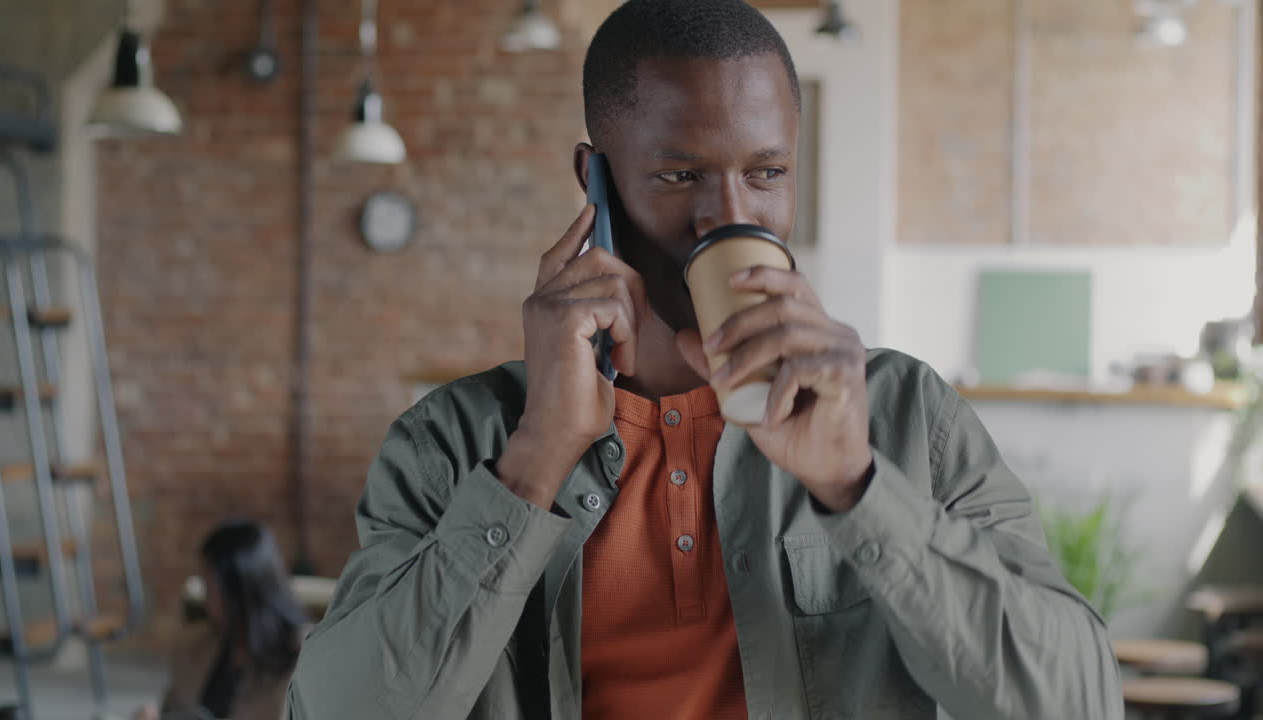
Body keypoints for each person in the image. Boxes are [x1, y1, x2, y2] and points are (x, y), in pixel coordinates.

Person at [289, 1, 1122, 717]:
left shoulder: (905, 415)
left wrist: (858, 490)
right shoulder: (454, 442)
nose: (729, 218)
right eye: (680, 174)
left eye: (767, 173)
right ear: (596, 182)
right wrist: (536, 459)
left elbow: (1077, 701)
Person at [134, 519, 308, 720]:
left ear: (240, 589)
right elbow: (172, 709)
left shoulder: (301, 658)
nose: (206, 598)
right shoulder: (194, 646)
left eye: (210, 585)